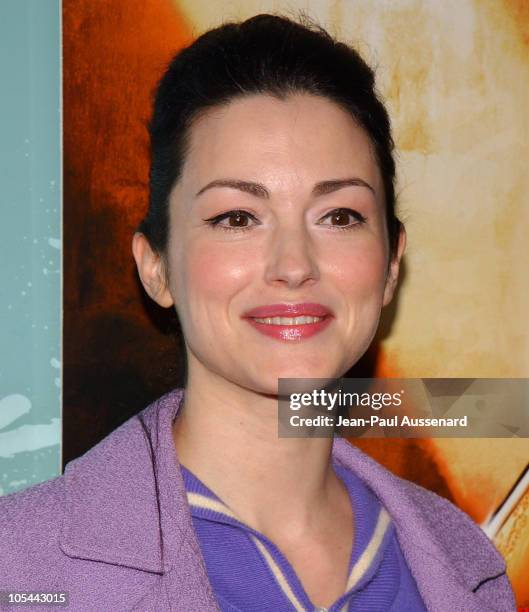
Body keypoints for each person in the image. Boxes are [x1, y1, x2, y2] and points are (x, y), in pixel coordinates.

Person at [0, 14, 515, 612]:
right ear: (156, 267)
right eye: (237, 218)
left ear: (392, 263)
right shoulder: (21, 569)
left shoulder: (467, 570)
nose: (294, 264)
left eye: (340, 216)